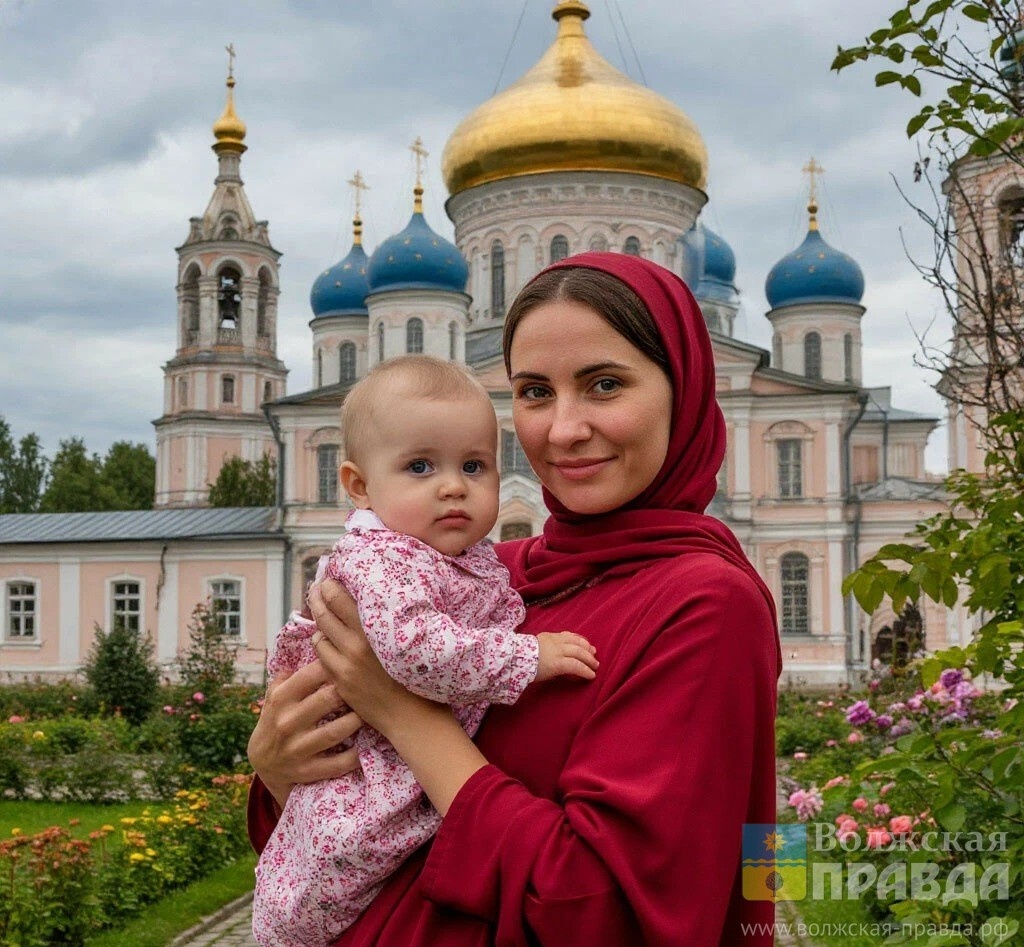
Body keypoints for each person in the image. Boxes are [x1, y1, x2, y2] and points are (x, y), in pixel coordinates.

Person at [248, 252, 782, 946]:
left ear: (684, 391)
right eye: (534, 392)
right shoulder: (488, 576)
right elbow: (343, 803)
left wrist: (404, 712)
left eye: (605, 384)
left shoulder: (706, 604)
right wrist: (276, 763)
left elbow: (601, 909)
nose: (563, 430)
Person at [252, 355, 599, 946]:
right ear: (360, 487)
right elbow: (415, 650)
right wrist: (528, 657)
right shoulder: (385, 558)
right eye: (420, 466)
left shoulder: (456, 555)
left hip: (387, 774)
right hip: (361, 772)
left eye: (474, 465)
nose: (454, 486)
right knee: (325, 884)